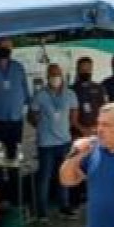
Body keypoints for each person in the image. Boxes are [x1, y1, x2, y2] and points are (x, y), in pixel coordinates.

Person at [29, 63, 80, 218]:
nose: (55, 78)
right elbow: (31, 116)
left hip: (64, 142)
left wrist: (63, 129)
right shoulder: (40, 95)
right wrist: (39, 122)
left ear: (62, 75)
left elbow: (74, 115)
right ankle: (41, 211)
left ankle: (64, 206)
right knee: (44, 177)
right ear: (47, 77)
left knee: (64, 175)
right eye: (52, 75)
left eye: (57, 75)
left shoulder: (70, 94)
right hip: (46, 143)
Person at [0, 40, 30, 160]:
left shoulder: (18, 67)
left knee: (15, 156)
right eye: (2, 45)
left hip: (15, 120)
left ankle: (13, 179)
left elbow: (25, 92)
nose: (5, 48)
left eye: (8, 45)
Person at [72, 56, 106, 139]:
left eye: (88, 69)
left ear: (91, 69)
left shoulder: (99, 88)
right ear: (78, 70)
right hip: (77, 133)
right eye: (82, 69)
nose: (85, 72)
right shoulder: (71, 90)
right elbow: (69, 115)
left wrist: (95, 127)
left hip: (96, 132)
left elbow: (104, 109)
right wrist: (82, 129)